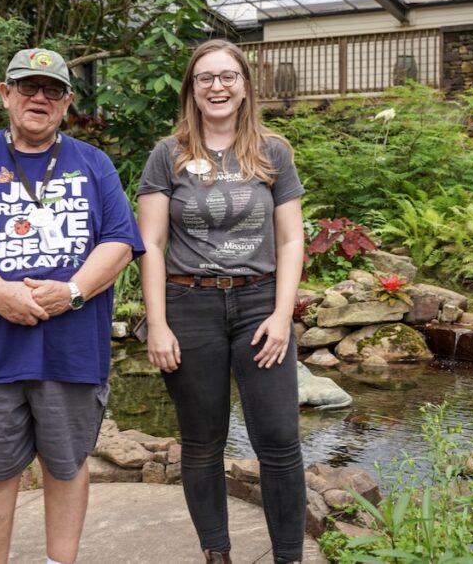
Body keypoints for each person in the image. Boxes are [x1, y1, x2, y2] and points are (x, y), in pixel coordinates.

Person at [0, 48, 143, 564]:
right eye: (27, 86)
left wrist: (73, 292)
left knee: (66, 467)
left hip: (71, 351)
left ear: (67, 101)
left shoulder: (94, 163)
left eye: (53, 90)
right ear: (5, 94)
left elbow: (119, 243)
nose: (39, 97)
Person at [136, 39, 306, 564]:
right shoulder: (168, 155)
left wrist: (282, 316)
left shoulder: (273, 152)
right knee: (203, 441)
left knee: (279, 440)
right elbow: (151, 244)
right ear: (192, 89)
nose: (217, 87)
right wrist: (158, 324)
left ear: (245, 86)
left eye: (228, 76)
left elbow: (290, 240)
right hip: (190, 305)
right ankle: (217, 554)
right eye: (205, 78)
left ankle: (289, 558)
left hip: (259, 306)